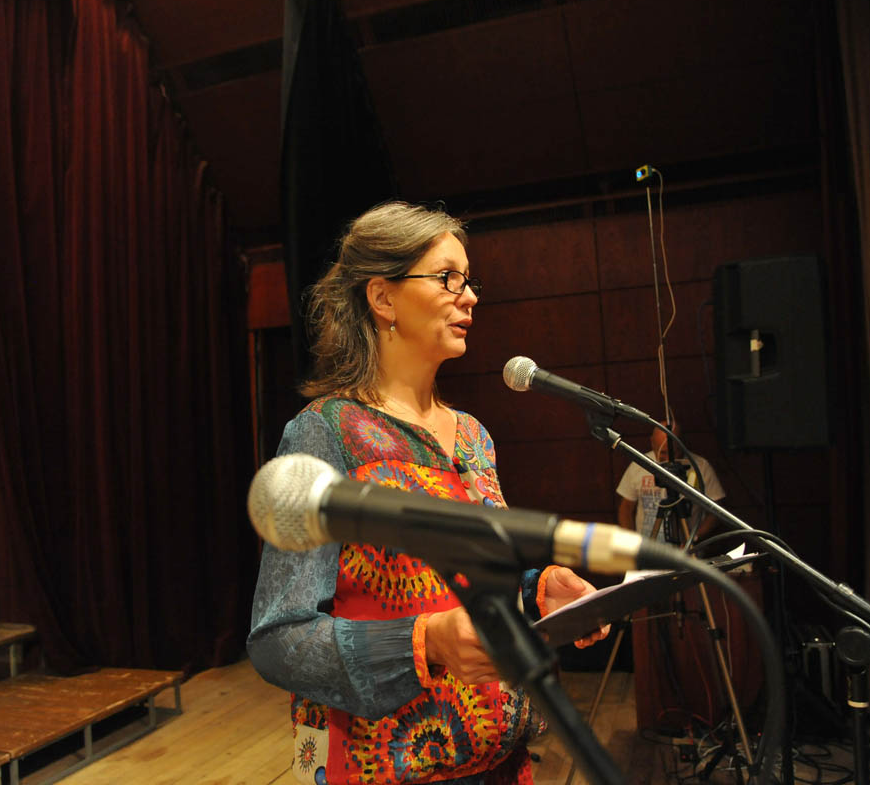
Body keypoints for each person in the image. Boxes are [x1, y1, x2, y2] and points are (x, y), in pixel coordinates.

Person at [247, 201, 607, 785]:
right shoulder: (327, 433)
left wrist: (537, 589)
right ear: (383, 298)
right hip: (392, 768)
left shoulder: (473, 437)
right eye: (448, 278)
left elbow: (464, 584)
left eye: (470, 281)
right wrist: (425, 642)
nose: (470, 297)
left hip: (503, 761)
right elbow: (279, 639)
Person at [615, 419, 725, 543]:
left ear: (681, 445)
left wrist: (694, 538)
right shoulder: (639, 465)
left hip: (686, 550)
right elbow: (626, 508)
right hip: (648, 549)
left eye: (673, 452)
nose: (667, 459)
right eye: (662, 453)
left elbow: (716, 511)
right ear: (652, 443)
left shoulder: (701, 467)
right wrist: (631, 541)